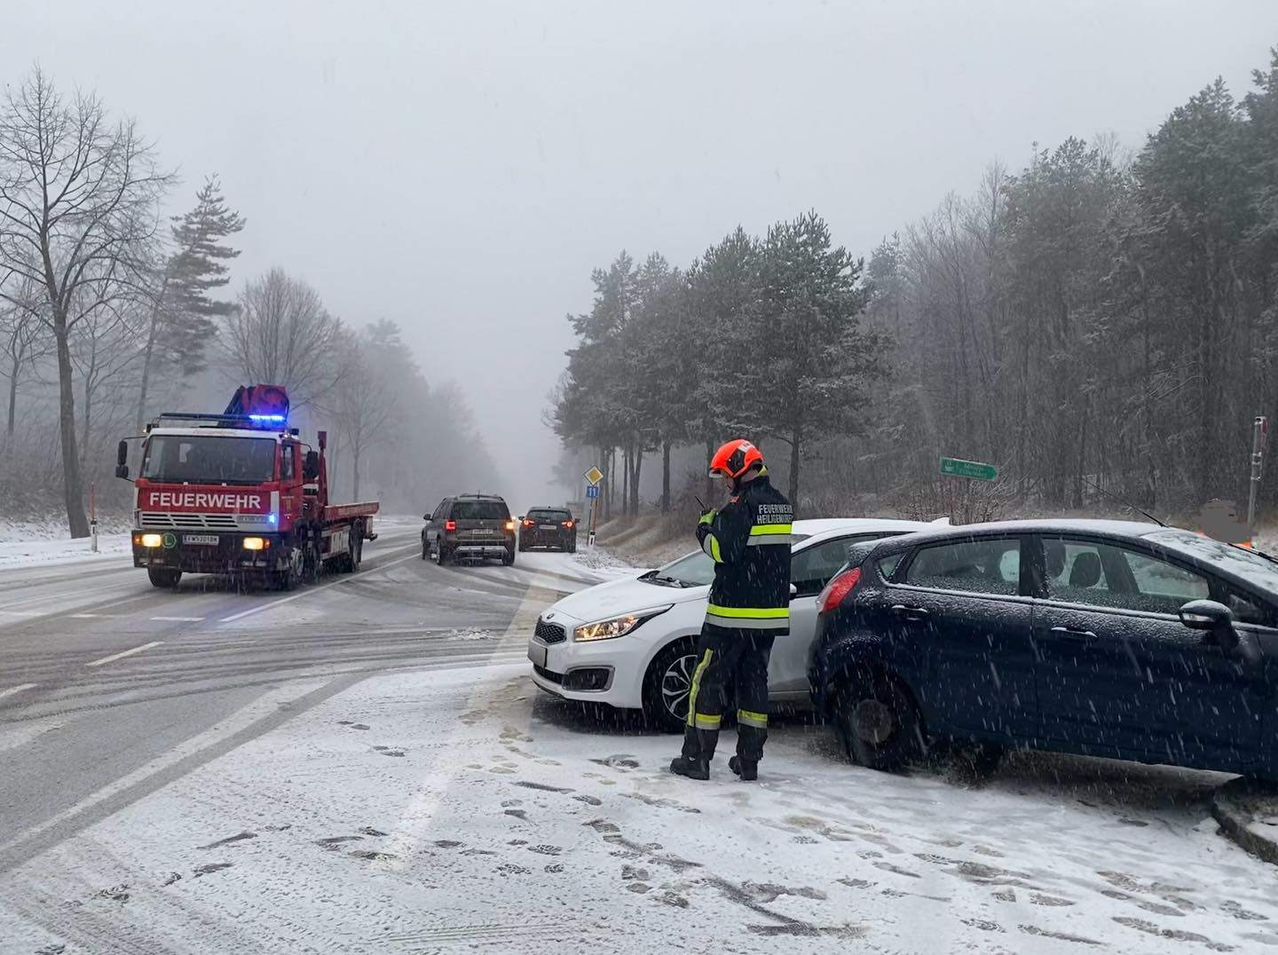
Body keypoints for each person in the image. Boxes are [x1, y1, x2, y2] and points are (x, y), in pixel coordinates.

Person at [669, 439, 793, 782]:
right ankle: (749, 761)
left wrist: (705, 529)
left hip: (730, 617)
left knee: (707, 683)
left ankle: (696, 758)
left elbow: (724, 551)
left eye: (726, 475)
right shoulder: (781, 505)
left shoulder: (741, 506)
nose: (725, 483)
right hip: (767, 618)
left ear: (739, 469)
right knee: (754, 686)